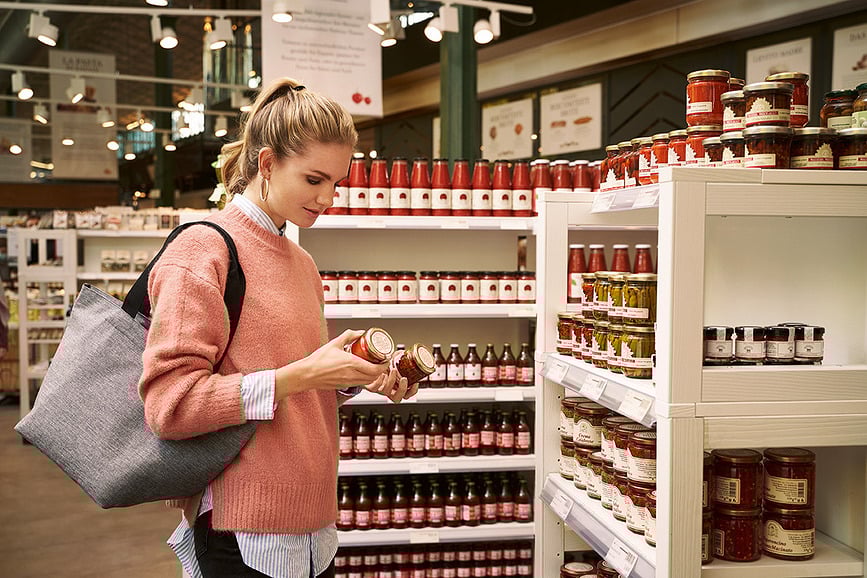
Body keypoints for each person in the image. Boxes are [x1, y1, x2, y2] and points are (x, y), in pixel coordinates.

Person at [139, 77, 417, 578]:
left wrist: (353, 377)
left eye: (337, 182)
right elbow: (169, 404)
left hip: (315, 525)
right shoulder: (203, 250)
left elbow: (295, 391)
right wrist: (304, 375)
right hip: (242, 528)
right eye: (314, 180)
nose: (328, 198)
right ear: (267, 164)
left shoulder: (302, 262)